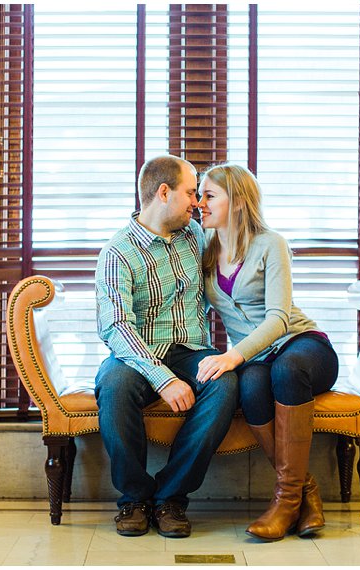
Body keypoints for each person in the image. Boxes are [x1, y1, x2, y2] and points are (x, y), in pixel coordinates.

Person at [94, 155, 239, 539]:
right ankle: (135, 498)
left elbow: (240, 247)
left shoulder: (196, 235)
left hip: (192, 349)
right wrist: (162, 379)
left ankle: (171, 498)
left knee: (225, 384)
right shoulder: (118, 252)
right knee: (114, 385)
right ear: (163, 193)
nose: (197, 202)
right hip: (138, 351)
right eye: (191, 192)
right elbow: (116, 326)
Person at [195, 163, 339, 542]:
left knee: (285, 371)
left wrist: (231, 356)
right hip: (258, 358)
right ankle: (302, 492)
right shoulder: (205, 251)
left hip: (302, 346)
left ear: (238, 201)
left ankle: (284, 503)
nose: (199, 203)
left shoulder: (270, 244)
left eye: (209, 195)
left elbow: (277, 320)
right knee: (251, 387)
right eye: (198, 194)